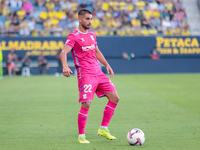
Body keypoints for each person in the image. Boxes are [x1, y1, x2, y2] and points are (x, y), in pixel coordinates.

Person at [60, 9, 119, 144]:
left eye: (91, 19)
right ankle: (81, 136)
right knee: (86, 104)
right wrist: (65, 66)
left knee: (115, 98)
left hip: (98, 72)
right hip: (85, 74)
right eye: (87, 19)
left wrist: (107, 64)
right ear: (80, 20)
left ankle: (103, 128)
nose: (90, 22)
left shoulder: (92, 35)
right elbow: (63, 52)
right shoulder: (73, 36)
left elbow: (97, 51)